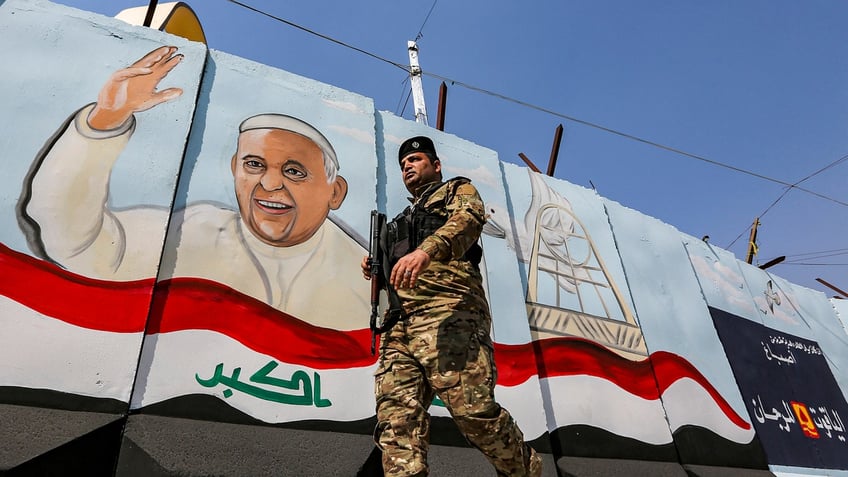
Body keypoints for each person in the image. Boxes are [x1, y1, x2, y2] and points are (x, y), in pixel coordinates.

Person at [20, 45, 368, 330]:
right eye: (254, 165)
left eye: (294, 171)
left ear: (334, 192)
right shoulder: (194, 231)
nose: (270, 184)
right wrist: (106, 121)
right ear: (235, 169)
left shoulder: (363, 274)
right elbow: (72, 240)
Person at [361, 136, 542, 476]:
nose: (408, 168)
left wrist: (426, 250)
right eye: (403, 165)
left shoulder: (458, 191)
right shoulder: (399, 221)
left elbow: (469, 222)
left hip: (450, 314)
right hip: (400, 324)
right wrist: (376, 263)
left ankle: (525, 468)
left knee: (473, 411)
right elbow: (393, 272)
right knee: (397, 419)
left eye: (415, 160)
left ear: (435, 165)